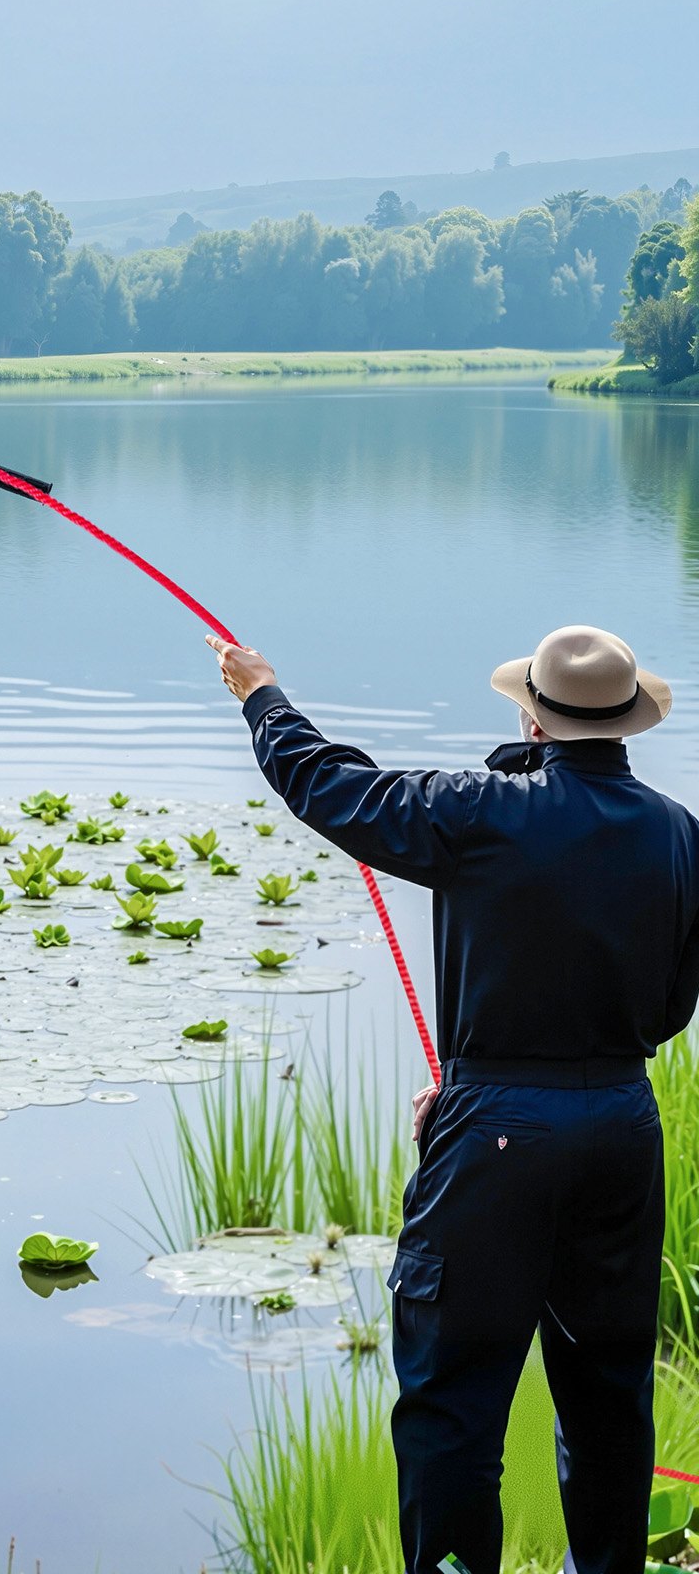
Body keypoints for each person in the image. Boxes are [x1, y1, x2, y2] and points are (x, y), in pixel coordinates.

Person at [208, 624, 699, 1574]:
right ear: (626, 722)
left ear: (532, 716)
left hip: (497, 1137)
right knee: (608, 1393)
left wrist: (262, 697)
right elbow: (674, 1001)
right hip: (623, 1129)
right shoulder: (680, 832)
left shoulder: (481, 811)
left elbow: (332, 787)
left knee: (452, 1399)